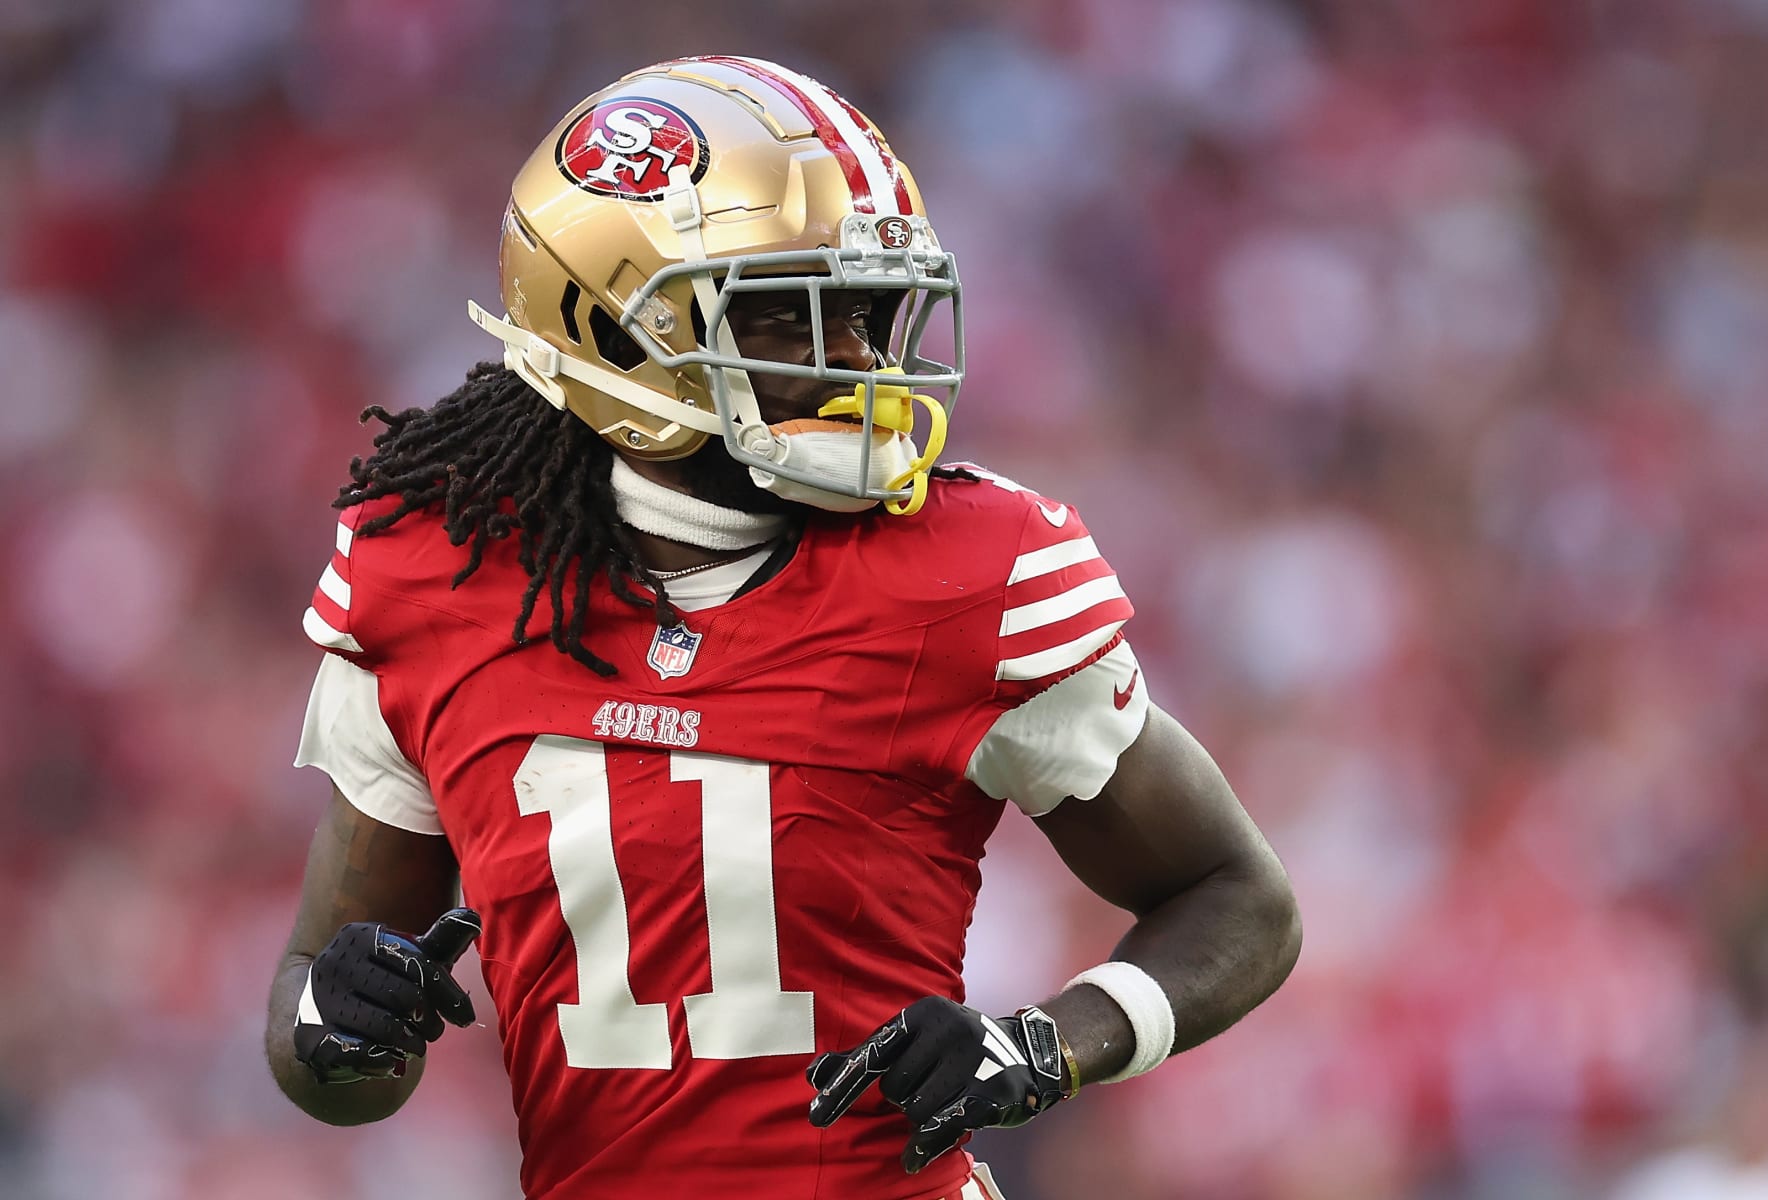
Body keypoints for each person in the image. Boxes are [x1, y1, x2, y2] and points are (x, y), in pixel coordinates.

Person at [264, 55, 1302, 1200]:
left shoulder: (970, 570)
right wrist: (339, 1025)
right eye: (788, 316)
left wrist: (1048, 1046)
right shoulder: (432, 575)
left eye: (864, 311)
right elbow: (326, 1029)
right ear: (618, 335)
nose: (859, 362)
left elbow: (1236, 898)